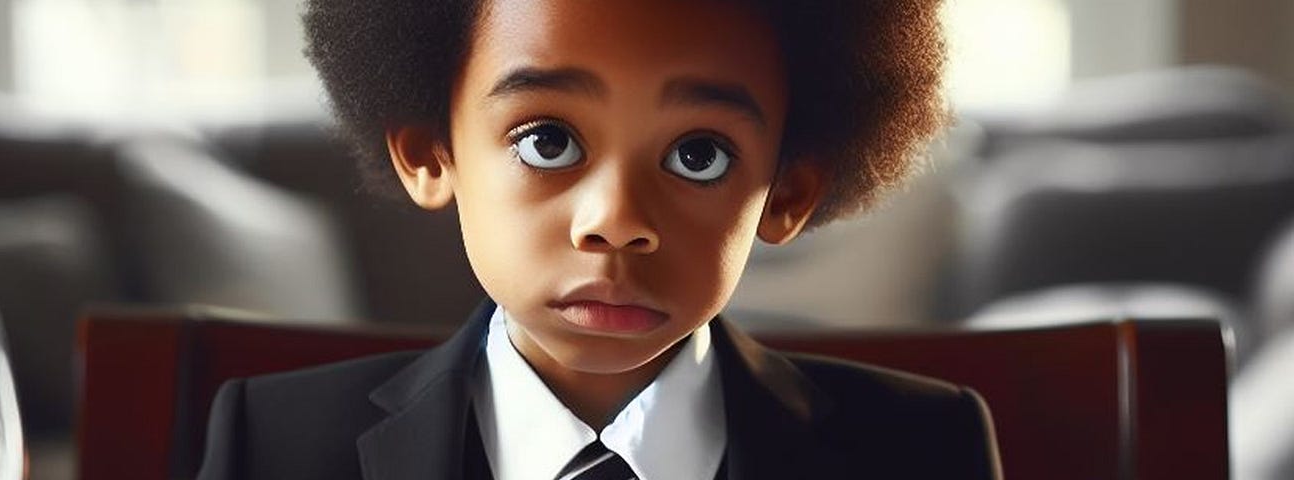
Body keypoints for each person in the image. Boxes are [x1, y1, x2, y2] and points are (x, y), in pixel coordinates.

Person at [197, 0, 1002, 478]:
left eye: (699, 154)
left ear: (786, 192)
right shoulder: (275, 446)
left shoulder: (922, 452)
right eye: (548, 141)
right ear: (430, 152)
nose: (616, 219)